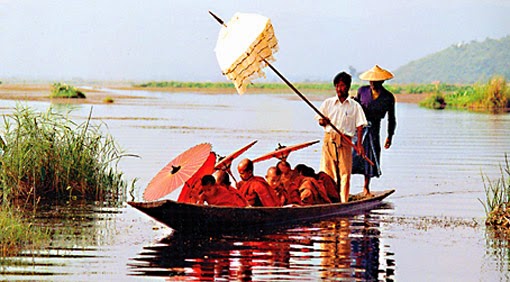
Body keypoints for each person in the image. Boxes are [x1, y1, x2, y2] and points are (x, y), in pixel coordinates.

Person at [316, 71, 367, 202]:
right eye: (337, 86)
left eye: (342, 86)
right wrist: (324, 121)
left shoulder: (355, 106)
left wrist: (359, 145)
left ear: (348, 87)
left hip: (345, 141)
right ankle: (331, 199)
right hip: (329, 140)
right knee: (328, 171)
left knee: (345, 173)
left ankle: (343, 200)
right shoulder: (328, 103)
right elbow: (320, 121)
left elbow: (360, 125)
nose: (339, 89)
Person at [354, 65, 397, 196]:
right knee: (353, 155)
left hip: (374, 130)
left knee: (370, 157)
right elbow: (355, 108)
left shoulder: (388, 97)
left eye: (375, 81)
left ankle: (366, 187)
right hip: (360, 129)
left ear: (382, 81)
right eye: (371, 81)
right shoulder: (362, 91)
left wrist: (390, 136)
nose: (372, 83)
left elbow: (391, 118)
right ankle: (344, 186)